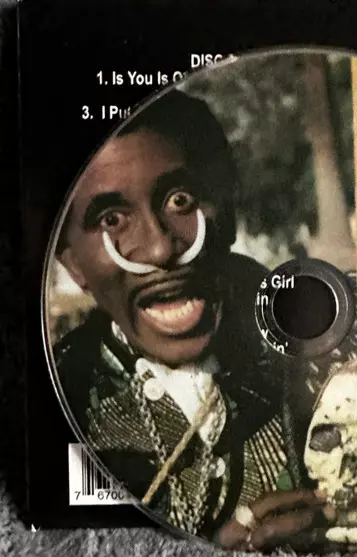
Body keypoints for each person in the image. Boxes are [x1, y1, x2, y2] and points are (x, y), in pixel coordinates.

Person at [52, 88, 334, 551]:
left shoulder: (324, 355)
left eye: (180, 200)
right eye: (112, 220)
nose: (160, 248)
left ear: (228, 214)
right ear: (74, 265)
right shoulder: (64, 408)